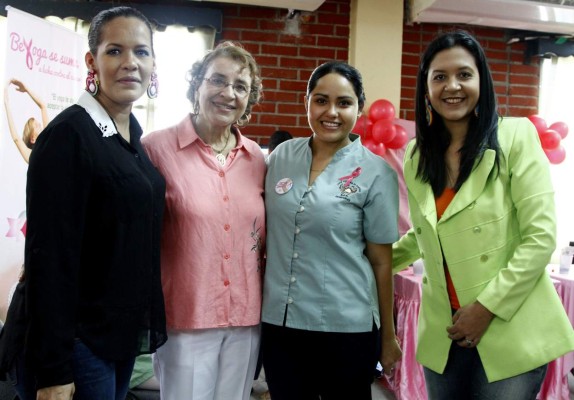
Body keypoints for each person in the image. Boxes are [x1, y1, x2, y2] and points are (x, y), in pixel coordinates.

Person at [392, 30, 574, 399]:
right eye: (439, 77)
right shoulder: (416, 155)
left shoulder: (516, 136)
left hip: (509, 323)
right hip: (445, 330)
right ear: (426, 89)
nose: (452, 86)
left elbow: (540, 238)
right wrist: (375, 258)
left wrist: (485, 309)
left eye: (464, 74)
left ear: (481, 81)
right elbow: (428, 233)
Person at [17, 6, 166, 400]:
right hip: (79, 342)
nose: (130, 63)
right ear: (92, 61)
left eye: (142, 52)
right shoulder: (69, 135)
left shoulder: (130, 132)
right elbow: (49, 259)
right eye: (115, 51)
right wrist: (54, 371)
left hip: (116, 336)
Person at [261, 61, 402, 400]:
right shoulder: (281, 156)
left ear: (359, 108)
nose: (331, 112)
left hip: (346, 328)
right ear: (307, 102)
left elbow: (382, 262)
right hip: (281, 324)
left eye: (344, 103)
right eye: (321, 100)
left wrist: (388, 337)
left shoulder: (376, 173)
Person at [142, 41, 265, 400]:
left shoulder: (256, 158)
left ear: (249, 99)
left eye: (240, 87)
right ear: (197, 85)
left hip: (246, 317)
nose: (228, 93)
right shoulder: (155, 149)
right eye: (217, 81)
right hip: (186, 316)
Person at [3, 78, 49, 163]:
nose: (40, 125)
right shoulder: (31, 155)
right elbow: (16, 138)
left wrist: (27, 89)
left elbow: (43, 106)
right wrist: (6, 103)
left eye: (38, 123)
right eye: (36, 126)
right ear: (32, 139)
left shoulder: (48, 141)